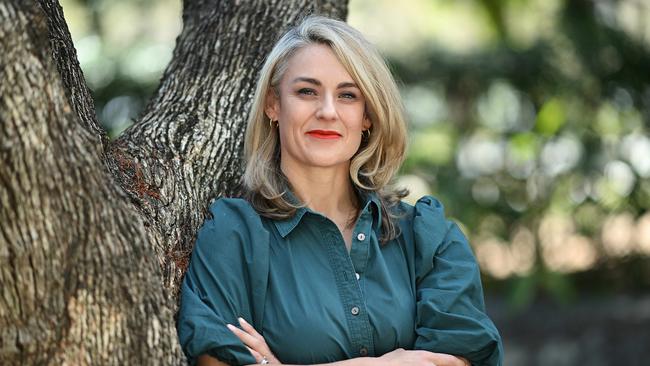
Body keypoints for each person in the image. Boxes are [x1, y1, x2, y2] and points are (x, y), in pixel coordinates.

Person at [177, 15, 503, 366]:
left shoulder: (429, 238)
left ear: (367, 116)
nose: (327, 111)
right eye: (307, 92)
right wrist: (388, 363)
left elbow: (462, 359)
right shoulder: (234, 235)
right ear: (274, 104)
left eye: (348, 95)